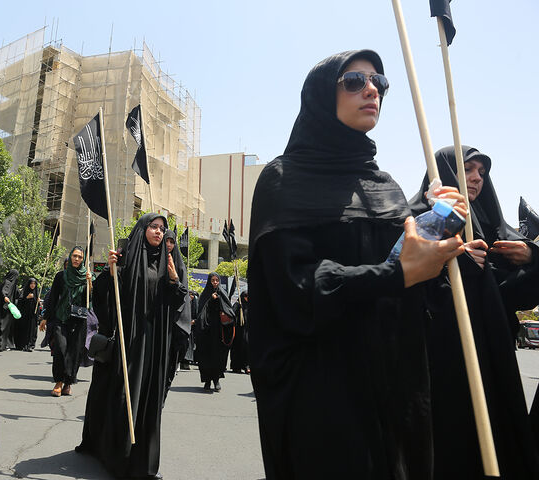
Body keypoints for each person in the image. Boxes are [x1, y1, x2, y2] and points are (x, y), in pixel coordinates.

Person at [248, 50, 466, 479]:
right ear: (318, 96)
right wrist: (396, 273)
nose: (371, 89)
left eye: (379, 83)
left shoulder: (386, 187)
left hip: (395, 385)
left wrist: (440, 239)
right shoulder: (282, 180)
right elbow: (295, 290)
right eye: (354, 81)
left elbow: (410, 275)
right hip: (325, 391)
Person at [409, 146, 539, 478]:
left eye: (482, 172)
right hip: (440, 353)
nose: (477, 178)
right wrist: (448, 264)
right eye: (468, 169)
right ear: (446, 173)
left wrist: (532, 259)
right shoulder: (420, 219)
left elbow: (515, 294)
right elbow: (401, 280)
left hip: (493, 351)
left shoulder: (496, 229)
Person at [76, 213, 185, 479]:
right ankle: (119, 457)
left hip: (155, 342)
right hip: (130, 341)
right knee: (126, 395)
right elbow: (102, 294)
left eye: (162, 229)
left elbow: (176, 303)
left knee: (148, 397)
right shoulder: (127, 259)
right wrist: (110, 271)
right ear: (143, 229)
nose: (159, 232)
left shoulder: (166, 263)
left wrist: (174, 280)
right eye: (154, 227)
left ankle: (144, 460)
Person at [40, 247, 93, 396]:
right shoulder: (61, 276)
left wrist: (89, 283)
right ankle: (58, 381)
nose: (76, 259)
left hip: (79, 320)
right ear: (70, 257)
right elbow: (53, 298)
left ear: (83, 260)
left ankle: (68, 383)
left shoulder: (87, 277)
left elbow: (92, 299)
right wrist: (45, 317)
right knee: (60, 350)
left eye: (80, 257)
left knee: (74, 352)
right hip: (61, 318)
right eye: (74, 256)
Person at [195, 272, 235, 392]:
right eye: (213, 280)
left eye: (217, 280)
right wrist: (211, 300)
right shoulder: (205, 294)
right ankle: (207, 381)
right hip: (206, 330)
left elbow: (230, 310)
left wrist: (220, 302)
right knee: (206, 355)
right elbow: (201, 311)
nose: (215, 283)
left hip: (219, 331)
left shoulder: (222, 293)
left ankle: (216, 379)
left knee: (218, 356)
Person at [163, 229, 191, 400]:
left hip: (172, 324)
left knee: (167, 369)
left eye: (172, 241)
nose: (169, 244)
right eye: (167, 240)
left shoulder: (179, 266)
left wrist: (174, 279)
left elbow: (183, 294)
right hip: (153, 321)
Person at [15, 277, 39, 351]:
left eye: (34, 284)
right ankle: (23, 344)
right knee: (24, 329)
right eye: (31, 283)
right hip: (25, 315)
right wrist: (26, 298)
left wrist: (38, 301)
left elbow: (37, 305)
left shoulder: (36, 292)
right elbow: (19, 302)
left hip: (33, 315)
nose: (32, 285)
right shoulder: (24, 291)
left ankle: (30, 345)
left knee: (32, 330)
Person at [230, 290, 250, 374]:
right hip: (239, 331)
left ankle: (247, 366)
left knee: (247, 348)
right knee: (238, 348)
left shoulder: (250, 305)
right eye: (246, 296)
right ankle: (236, 366)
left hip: (247, 330)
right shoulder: (238, 304)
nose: (247, 298)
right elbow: (232, 314)